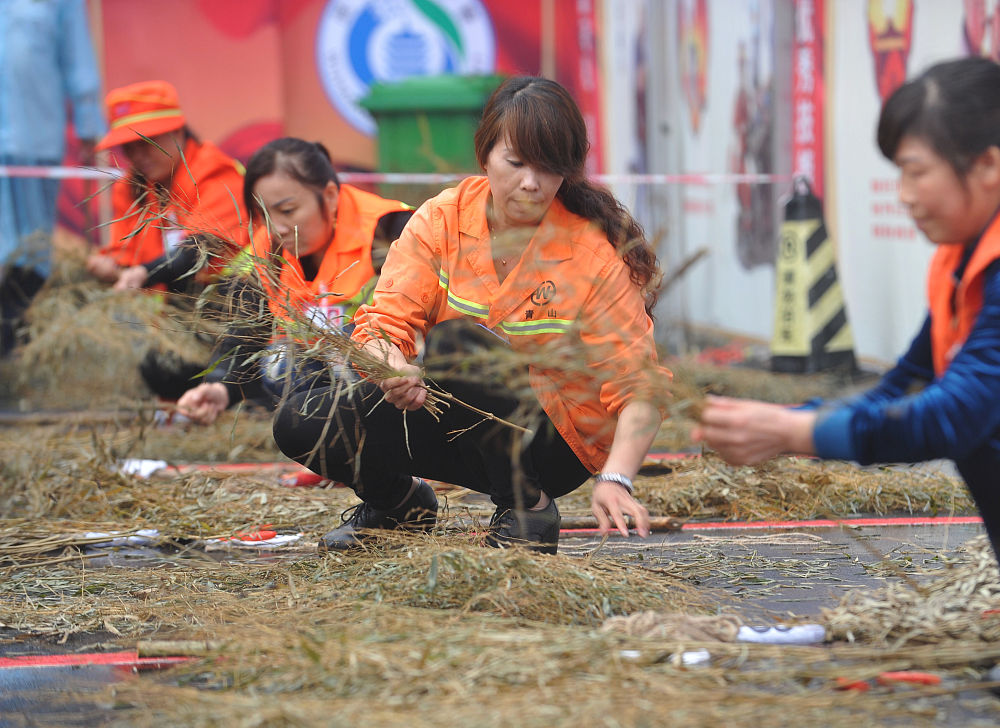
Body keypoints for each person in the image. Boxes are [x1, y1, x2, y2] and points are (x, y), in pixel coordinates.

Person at [693, 57, 1000, 722]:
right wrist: (793, 419)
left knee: (994, 431)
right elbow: (905, 384)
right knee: (995, 433)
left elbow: (951, 417)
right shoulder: (978, 253)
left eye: (914, 170)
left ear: (987, 167)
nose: (903, 193)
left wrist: (797, 435)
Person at [272, 76, 672, 554]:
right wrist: (390, 367)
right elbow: (382, 324)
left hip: (552, 444)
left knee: (458, 344)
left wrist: (616, 479)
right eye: (516, 162)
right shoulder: (441, 220)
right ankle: (399, 505)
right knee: (301, 420)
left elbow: (639, 386)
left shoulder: (592, 254)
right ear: (485, 156)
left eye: (549, 167)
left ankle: (527, 506)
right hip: (453, 419)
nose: (531, 182)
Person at [174, 137, 414, 425]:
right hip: (322, 381)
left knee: (355, 353)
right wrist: (219, 387)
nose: (278, 229)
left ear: (329, 196)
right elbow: (247, 329)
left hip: (398, 380)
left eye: (288, 211)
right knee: (280, 364)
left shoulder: (391, 230)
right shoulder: (267, 249)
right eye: (264, 214)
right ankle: (333, 454)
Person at [83, 80, 248, 398]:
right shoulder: (133, 187)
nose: (137, 155)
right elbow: (126, 253)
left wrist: (141, 272)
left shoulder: (217, 175)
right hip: (180, 310)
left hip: (239, 306)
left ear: (178, 131)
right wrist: (110, 265)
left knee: (196, 369)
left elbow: (197, 251)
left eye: (146, 142)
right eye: (129, 147)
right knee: (159, 366)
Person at [0, 0, 106, 356]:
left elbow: (77, 57)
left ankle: (10, 343)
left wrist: (89, 123)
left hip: (34, 138)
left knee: (30, 252)